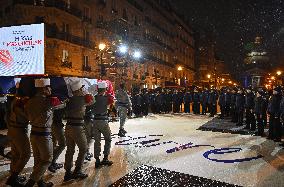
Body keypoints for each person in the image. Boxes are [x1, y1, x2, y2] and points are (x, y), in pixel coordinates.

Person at [25, 78, 65, 187]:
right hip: (44, 134)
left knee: (38, 160)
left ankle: (41, 182)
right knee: (47, 159)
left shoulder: (30, 101)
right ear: (43, 89)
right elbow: (60, 105)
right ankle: (30, 183)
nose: (50, 89)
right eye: (48, 87)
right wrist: (65, 102)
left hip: (33, 133)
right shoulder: (47, 101)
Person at [63, 80, 94, 182]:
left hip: (68, 127)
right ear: (80, 89)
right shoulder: (82, 99)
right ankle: (77, 170)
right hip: (77, 127)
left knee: (70, 150)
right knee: (84, 148)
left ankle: (67, 173)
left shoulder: (69, 99)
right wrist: (86, 93)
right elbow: (93, 101)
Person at [5, 92, 30, 187]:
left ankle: (14, 176)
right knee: (26, 154)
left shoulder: (15, 101)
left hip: (12, 129)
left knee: (16, 154)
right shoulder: (23, 104)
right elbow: (31, 117)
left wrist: (9, 126)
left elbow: (6, 116)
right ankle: (13, 179)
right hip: (19, 131)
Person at [93, 81, 114, 168]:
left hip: (95, 120)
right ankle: (105, 158)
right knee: (108, 139)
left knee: (97, 141)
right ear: (105, 89)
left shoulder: (93, 97)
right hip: (103, 120)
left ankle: (97, 160)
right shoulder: (107, 97)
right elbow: (111, 103)